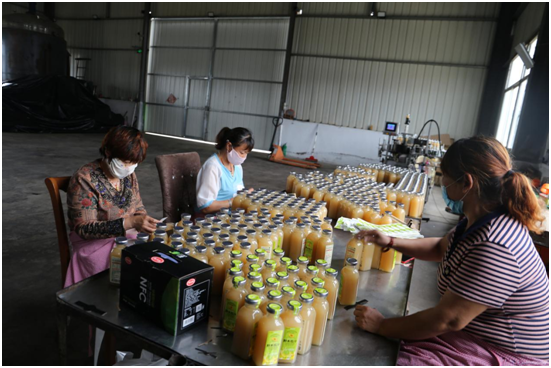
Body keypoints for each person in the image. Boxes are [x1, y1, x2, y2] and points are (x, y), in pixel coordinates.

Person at [355, 137, 549, 365]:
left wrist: (382, 325)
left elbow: (448, 319)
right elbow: (440, 248)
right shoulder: (479, 220)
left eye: (444, 175)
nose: (443, 183)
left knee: (399, 357)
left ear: (466, 183)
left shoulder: (496, 244)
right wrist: (389, 240)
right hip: (476, 334)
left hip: (507, 352)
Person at [64, 126, 159, 287]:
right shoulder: (85, 179)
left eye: (134, 163)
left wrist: (144, 221)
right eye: (125, 162)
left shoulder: (129, 176)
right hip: (93, 246)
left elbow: (138, 207)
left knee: (156, 257)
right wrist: (129, 223)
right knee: (129, 267)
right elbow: (84, 229)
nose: (129, 168)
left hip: (127, 237)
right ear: (108, 152)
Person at [195, 127, 254, 215]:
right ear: (229, 146)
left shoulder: (237, 166)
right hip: (213, 220)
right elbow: (206, 206)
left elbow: (237, 192)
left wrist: (245, 194)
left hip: (231, 216)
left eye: (246, 153)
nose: (244, 157)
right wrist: (232, 202)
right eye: (242, 152)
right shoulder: (213, 167)